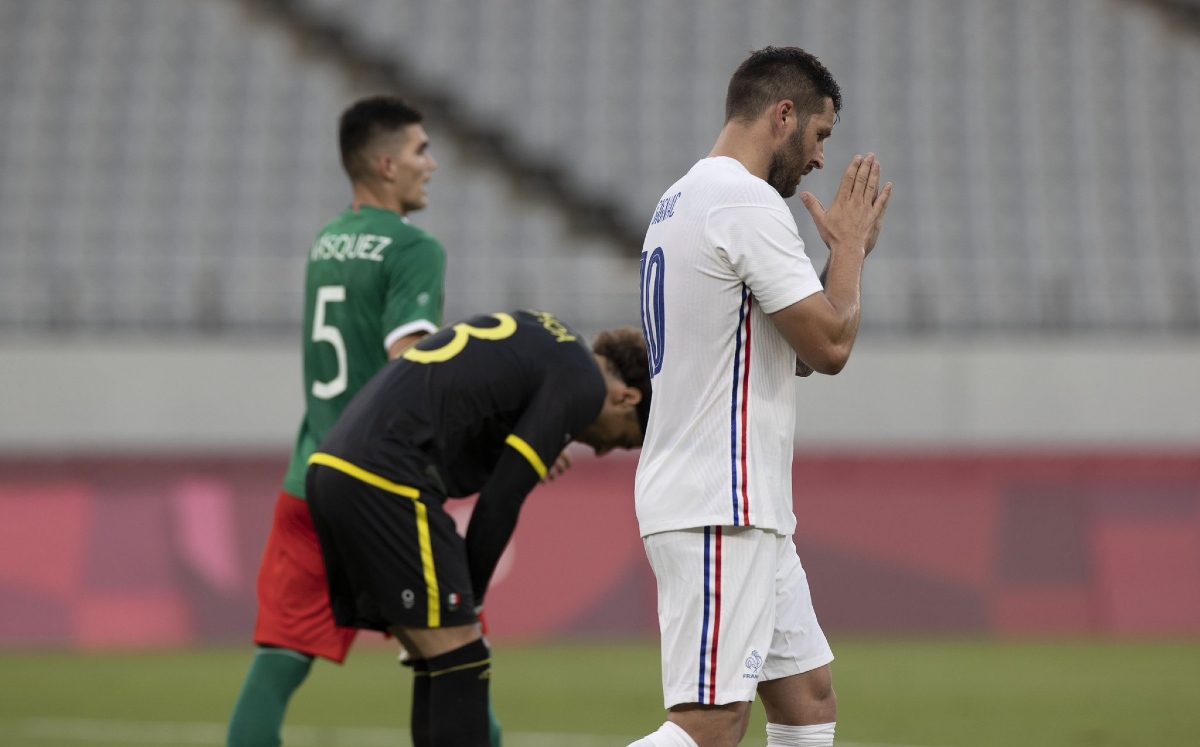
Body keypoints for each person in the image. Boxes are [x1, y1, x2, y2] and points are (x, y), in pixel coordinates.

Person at [629, 47, 892, 747]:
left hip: (740, 503)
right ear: (784, 115)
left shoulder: (680, 199)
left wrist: (835, 266)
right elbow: (831, 347)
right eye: (820, 135)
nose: (818, 160)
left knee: (808, 699)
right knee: (711, 724)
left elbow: (796, 355)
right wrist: (851, 253)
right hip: (721, 498)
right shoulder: (745, 200)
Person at [226, 94, 467, 747]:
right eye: (421, 150)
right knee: (456, 663)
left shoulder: (327, 240)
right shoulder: (414, 247)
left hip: (308, 477)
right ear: (386, 164)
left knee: (277, 662)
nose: (433, 164)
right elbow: (407, 363)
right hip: (380, 488)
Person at [304, 310, 652, 747]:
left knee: (436, 657)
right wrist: (470, 599)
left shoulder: (547, 335)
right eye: (624, 439)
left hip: (334, 469)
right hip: (385, 479)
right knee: (463, 653)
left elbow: (466, 400)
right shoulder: (581, 383)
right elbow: (501, 500)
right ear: (626, 399)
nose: (604, 451)